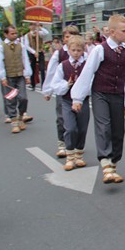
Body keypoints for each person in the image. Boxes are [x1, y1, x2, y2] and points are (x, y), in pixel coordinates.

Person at [71, 15, 125, 185]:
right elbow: (87, 73)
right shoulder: (100, 50)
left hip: (118, 94)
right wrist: (78, 97)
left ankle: (113, 165)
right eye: (124, 31)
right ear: (112, 32)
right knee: (103, 126)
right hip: (101, 93)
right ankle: (106, 164)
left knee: (118, 131)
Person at [49, 35, 89, 171]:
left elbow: (91, 80)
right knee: (70, 128)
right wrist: (66, 85)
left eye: (79, 50)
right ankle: (70, 155)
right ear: (69, 50)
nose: (76, 53)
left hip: (83, 101)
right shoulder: (63, 65)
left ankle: (79, 155)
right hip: (67, 100)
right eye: (73, 50)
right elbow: (55, 83)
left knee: (82, 128)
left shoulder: (87, 64)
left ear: (83, 50)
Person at [41, 25, 80, 158]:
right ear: (64, 39)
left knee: (79, 120)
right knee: (61, 116)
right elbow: (51, 72)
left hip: (78, 91)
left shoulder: (82, 53)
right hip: (63, 90)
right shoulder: (60, 54)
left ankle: (75, 144)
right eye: (68, 37)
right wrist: (47, 91)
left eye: (73, 36)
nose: (70, 39)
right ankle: (62, 143)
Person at [0, 25, 33, 134]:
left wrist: (27, 75)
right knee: (10, 99)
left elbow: (25, 60)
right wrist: (2, 77)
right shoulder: (1, 46)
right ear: (6, 34)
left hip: (20, 75)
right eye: (12, 33)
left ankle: (21, 116)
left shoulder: (21, 45)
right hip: (8, 76)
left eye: (15, 33)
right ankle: (14, 122)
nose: (15, 35)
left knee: (23, 98)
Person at [23, 22, 49, 91]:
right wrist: (34, 52)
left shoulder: (39, 33)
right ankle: (33, 84)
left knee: (42, 68)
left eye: (34, 25)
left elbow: (46, 33)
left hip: (40, 52)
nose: (33, 26)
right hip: (32, 53)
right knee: (33, 68)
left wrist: (39, 27)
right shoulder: (27, 35)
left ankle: (43, 85)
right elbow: (27, 46)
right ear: (29, 27)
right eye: (31, 25)